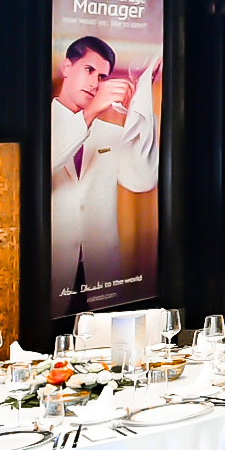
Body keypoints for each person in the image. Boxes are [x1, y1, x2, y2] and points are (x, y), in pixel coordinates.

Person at [49, 35, 160, 308]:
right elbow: (41, 166)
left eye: (102, 77)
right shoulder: (39, 123)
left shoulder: (111, 133)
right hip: (51, 271)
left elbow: (142, 179)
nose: (94, 83)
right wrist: (90, 113)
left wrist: (142, 96)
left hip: (101, 274)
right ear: (66, 67)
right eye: (89, 70)